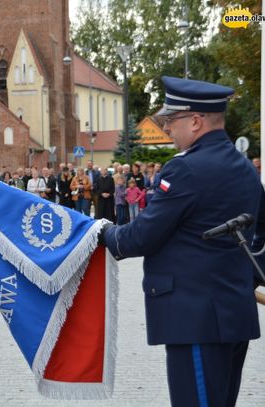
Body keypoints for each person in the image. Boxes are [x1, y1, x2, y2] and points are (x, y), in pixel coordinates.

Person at [100, 76, 262, 407]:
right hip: (234, 313)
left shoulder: (185, 170)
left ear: (196, 121)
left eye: (171, 120)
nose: (167, 128)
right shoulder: (245, 168)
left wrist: (101, 233)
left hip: (196, 319)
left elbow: (141, 236)